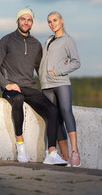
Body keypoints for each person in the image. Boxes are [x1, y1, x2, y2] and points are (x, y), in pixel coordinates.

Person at [0, 8, 67, 165]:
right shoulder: (6, 40)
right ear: (17, 21)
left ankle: (51, 153)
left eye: (29, 20)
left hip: (30, 87)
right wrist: (6, 84)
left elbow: (41, 70)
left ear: (32, 22)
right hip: (12, 88)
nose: (26, 22)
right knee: (18, 99)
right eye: (23, 19)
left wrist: (59, 69)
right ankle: (20, 145)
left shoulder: (35, 44)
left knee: (53, 110)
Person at [39, 11, 81, 167]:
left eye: (55, 20)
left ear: (61, 21)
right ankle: (64, 156)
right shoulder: (48, 40)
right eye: (49, 21)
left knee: (65, 111)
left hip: (61, 81)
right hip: (47, 85)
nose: (52, 24)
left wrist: (58, 71)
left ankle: (75, 153)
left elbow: (76, 62)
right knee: (54, 118)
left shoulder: (68, 40)